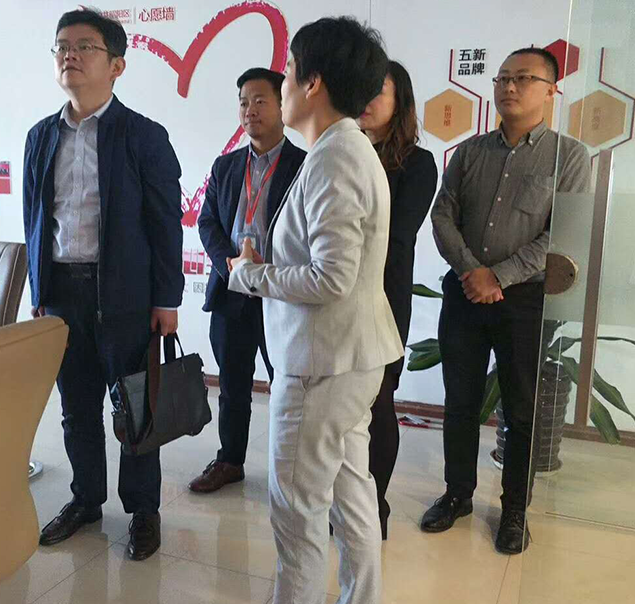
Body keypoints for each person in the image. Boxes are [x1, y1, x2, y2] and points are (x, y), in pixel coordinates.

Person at [227, 17, 401, 604]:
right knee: (352, 499)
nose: (282, 83)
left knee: (298, 513)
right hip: (347, 358)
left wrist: (250, 275)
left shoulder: (335, 157)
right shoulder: (343, 148)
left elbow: (331, 277)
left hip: (320, 364)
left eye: (289, 70)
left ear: (313, 82)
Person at [22, 8, 184, 561]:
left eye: (84, 46)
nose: (69, 55)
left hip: (126, 294)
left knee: (137, 408)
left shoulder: (143, 136)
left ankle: (143, 510)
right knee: (76, 406)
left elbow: (165, 223)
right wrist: (40, 292)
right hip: (62, 293)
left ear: (116, 65)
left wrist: (166, 299)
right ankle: (86, 499)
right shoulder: (40, 137)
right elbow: (35, 218)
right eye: (61, 46)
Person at [424, 47, 591, 554]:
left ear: (551, 91)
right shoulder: (470, 152)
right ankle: (458, 494)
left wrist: (497, 276)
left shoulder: (569, 157)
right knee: (460, 402)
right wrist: (471, 272)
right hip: (464, 294)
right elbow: (442, 215)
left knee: (520, 409)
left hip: (524, 301)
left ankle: (515, 509)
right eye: (502, 78)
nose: (509, 87)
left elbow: (561, 234)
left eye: (523, 78)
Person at [190, 68, 306, 493]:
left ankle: (290, 469)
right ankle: (229, 460)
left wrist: (266, 267)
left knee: (287, 386)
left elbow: (308, 232)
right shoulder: (225, 166)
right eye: (243, 102)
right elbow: (207, 222)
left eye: (259, 101)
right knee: (232, 384)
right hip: (232, 291)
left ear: (281, 105)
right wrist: (230, 264)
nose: (249, 110)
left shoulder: (304, 166)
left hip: (281, 294)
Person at [356, 60, 438, 540]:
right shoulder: (338, 153)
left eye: (378, 92)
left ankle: (376, 506)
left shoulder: (416, 163)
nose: (366, 100)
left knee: (379, 400)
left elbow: (397, 235)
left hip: (383, 298)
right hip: (332, 297)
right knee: (345, 406)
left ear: (399, 101)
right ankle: (346, 499)